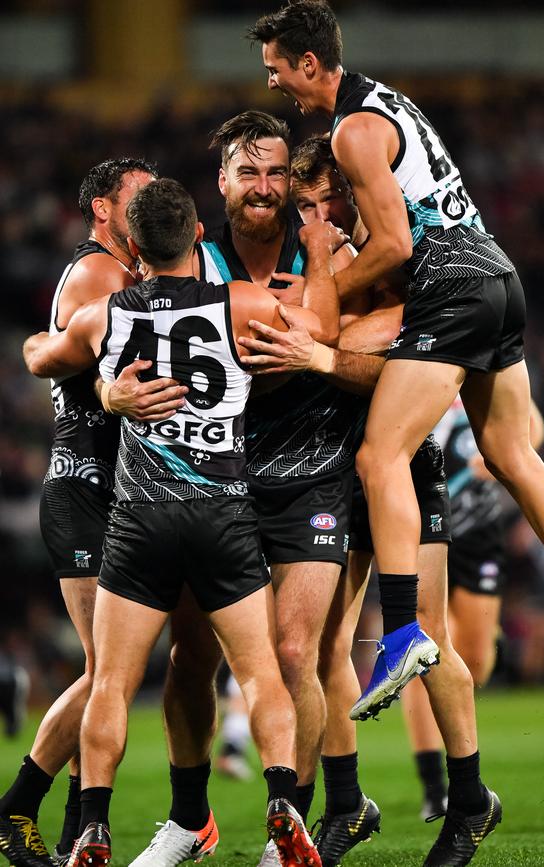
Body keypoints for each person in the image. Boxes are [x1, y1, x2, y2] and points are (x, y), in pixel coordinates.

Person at [249, 3, 544, 861]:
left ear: (311, 62)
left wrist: (322, 305)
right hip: (497, 271)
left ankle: (400, 636)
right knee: (509, 450)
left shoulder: (353, 131)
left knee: (380, 451)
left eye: (278, 66)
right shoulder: (390, 104)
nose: (273, 80)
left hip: (452, 283)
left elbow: (392, 242)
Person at [22, 178, 342, 867]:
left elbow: (37, 356)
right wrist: (317, 258)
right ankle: (283, 801)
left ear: (134, 248)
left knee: (109, 678)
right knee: (260, 674)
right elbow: (321, 332)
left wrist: (108, 388)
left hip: (140, 520)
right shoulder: (246, 303)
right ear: (199, 235)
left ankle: (95, 826)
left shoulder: (104, 316)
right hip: (224, 512)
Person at [101, 112, 378, 867]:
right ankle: (189, 820)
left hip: (314, 474)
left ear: (293, 180)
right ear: (219, 182)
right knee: (190, 654)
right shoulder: (193, 258)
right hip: (219, 483)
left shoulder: (330, 247)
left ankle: (288, 830)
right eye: (246, 172)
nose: (263, 186)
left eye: (275, 172)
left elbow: (397, 328)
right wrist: (112, 395)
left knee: (296, 651)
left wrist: (327, 351)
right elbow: (112, 349)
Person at [240, 134, 479, 867]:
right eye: (302, 203)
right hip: (336, 471)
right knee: (318, 646)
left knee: (426, 633)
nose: (317, 215)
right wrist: (324, 329)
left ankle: (469, 799)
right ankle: (344, 805)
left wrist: (320, 338)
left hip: (407, 462)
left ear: (349, 193)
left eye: (325, 200)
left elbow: (399, 358)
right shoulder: (310, 267)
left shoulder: (391, 254)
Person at [0, 157, 157, 867]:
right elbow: (84, 362)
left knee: (112, 674)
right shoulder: (101, 275)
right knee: (106, 674)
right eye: (139, 197)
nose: (151, 206)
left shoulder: (127, 273)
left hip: (110, 486)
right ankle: (17, 811)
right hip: (84, 481)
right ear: (102, 207)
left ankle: (73, 836)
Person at [400, 398, 544, 820]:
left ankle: (486, 639)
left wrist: (499, 456)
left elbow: (532, 426)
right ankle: (434, 787)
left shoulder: (479, 377)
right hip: (421, 535)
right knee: (424, 654)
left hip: (479, 534)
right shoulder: (409, 378)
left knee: (475, 665)